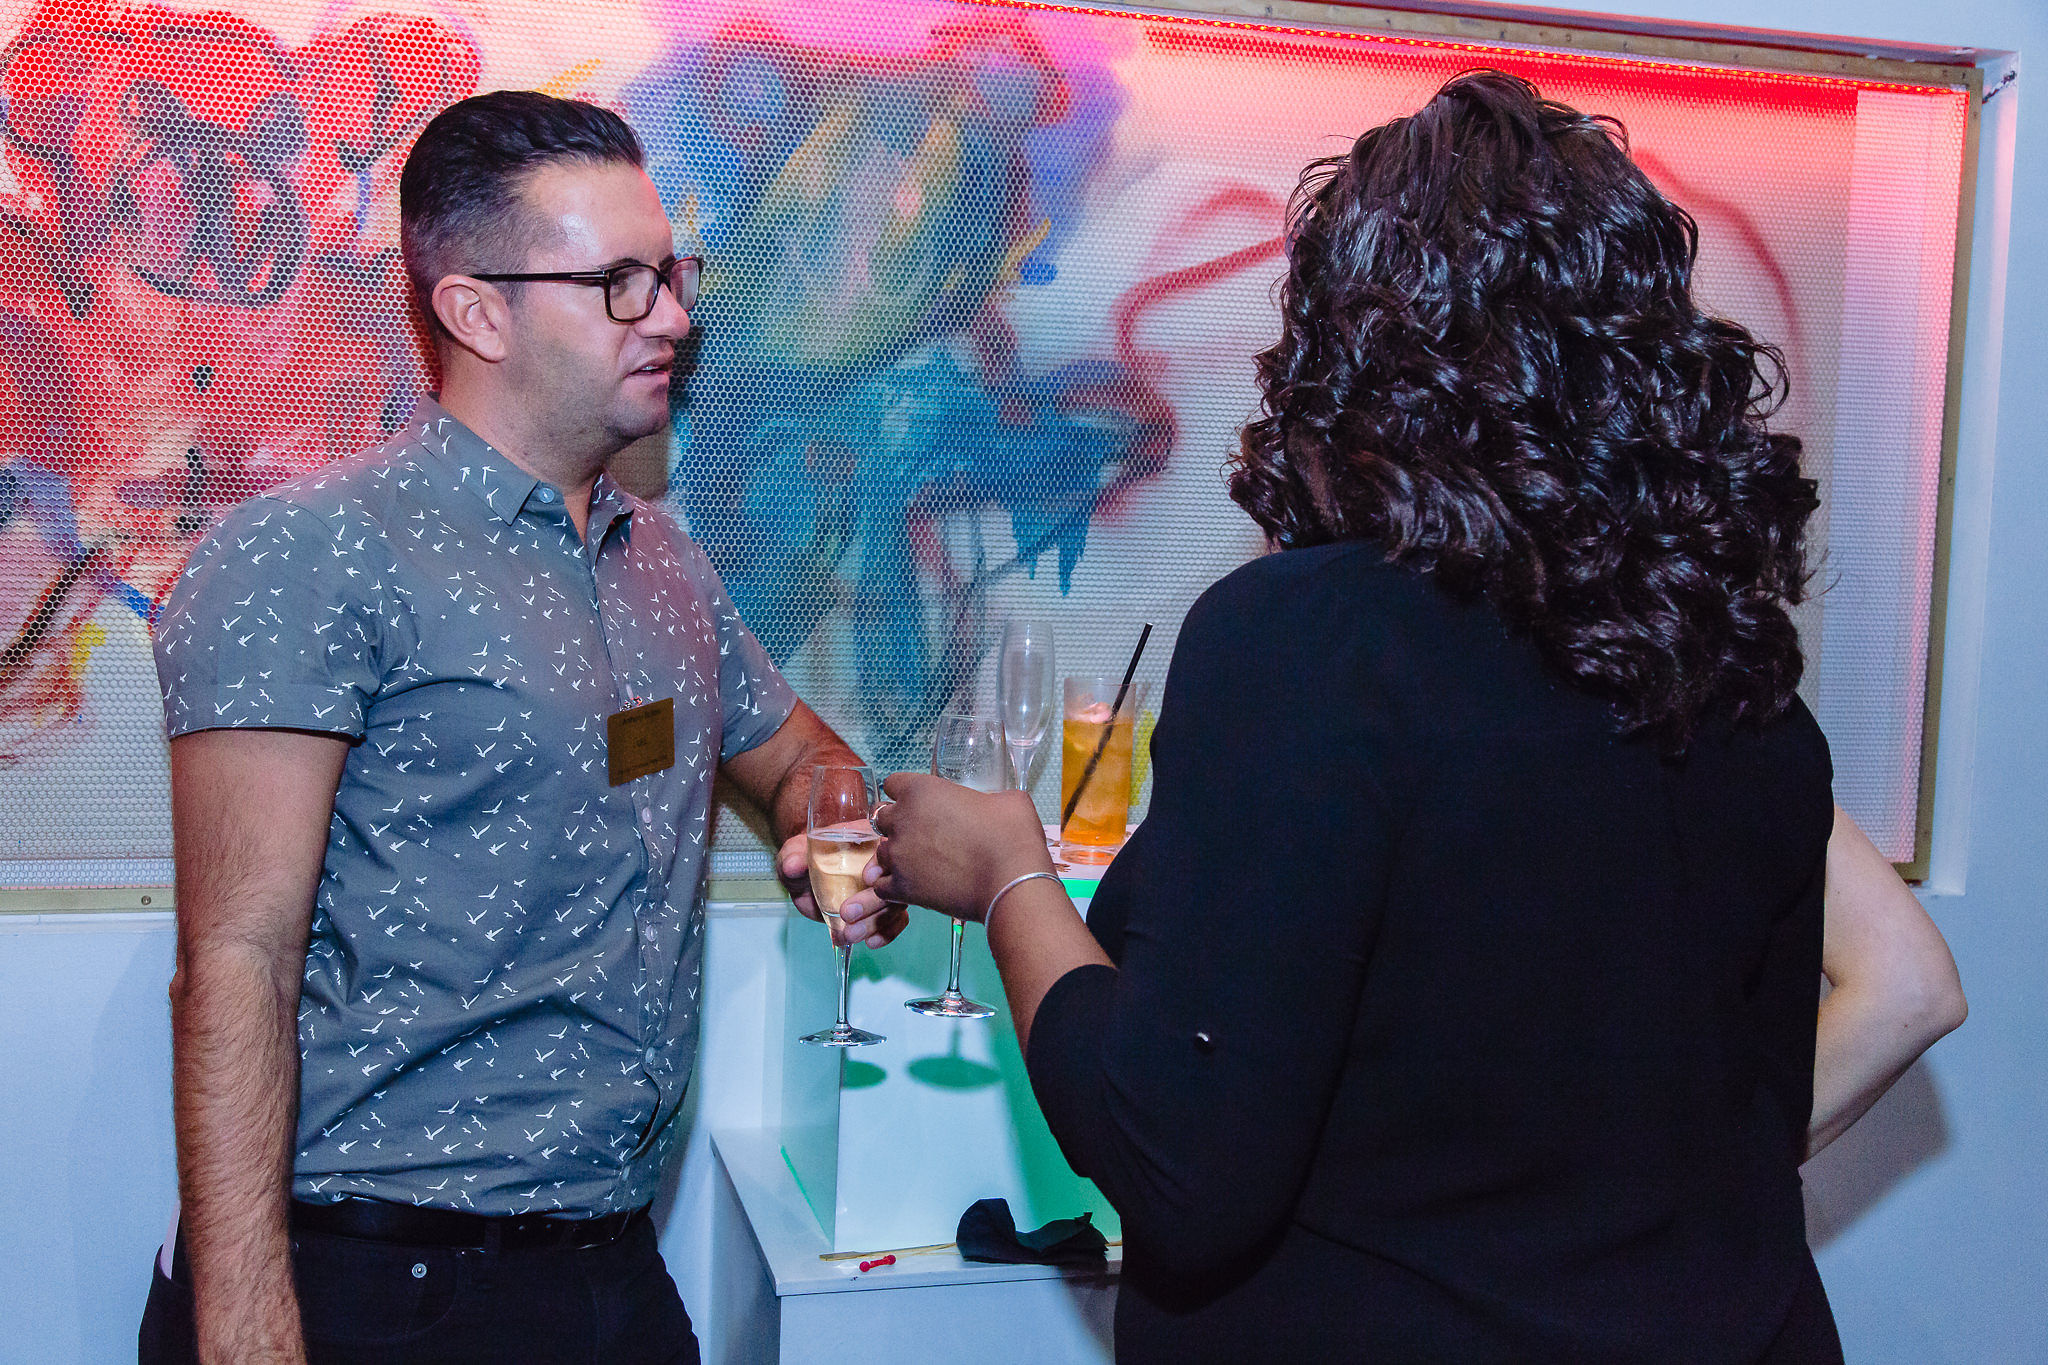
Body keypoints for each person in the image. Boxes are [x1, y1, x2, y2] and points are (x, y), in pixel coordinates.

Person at [840, 71, 1966, 1363]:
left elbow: (1176, 1164)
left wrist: (1007, 878)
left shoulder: (1313, 642)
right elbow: (1731, 1111)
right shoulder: (1728, 675)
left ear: (1349, 348)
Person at [139, 91, 904, 1365]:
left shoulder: (664, 564)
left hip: (606, 1266)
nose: (672, 316)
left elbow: (807, 759)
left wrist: (828, 827)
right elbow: (234, 961)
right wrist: (246, 1327)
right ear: (475, 312)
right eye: (617, 283)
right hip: (373, 1283)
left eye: (669, 274)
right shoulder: (310, 554)